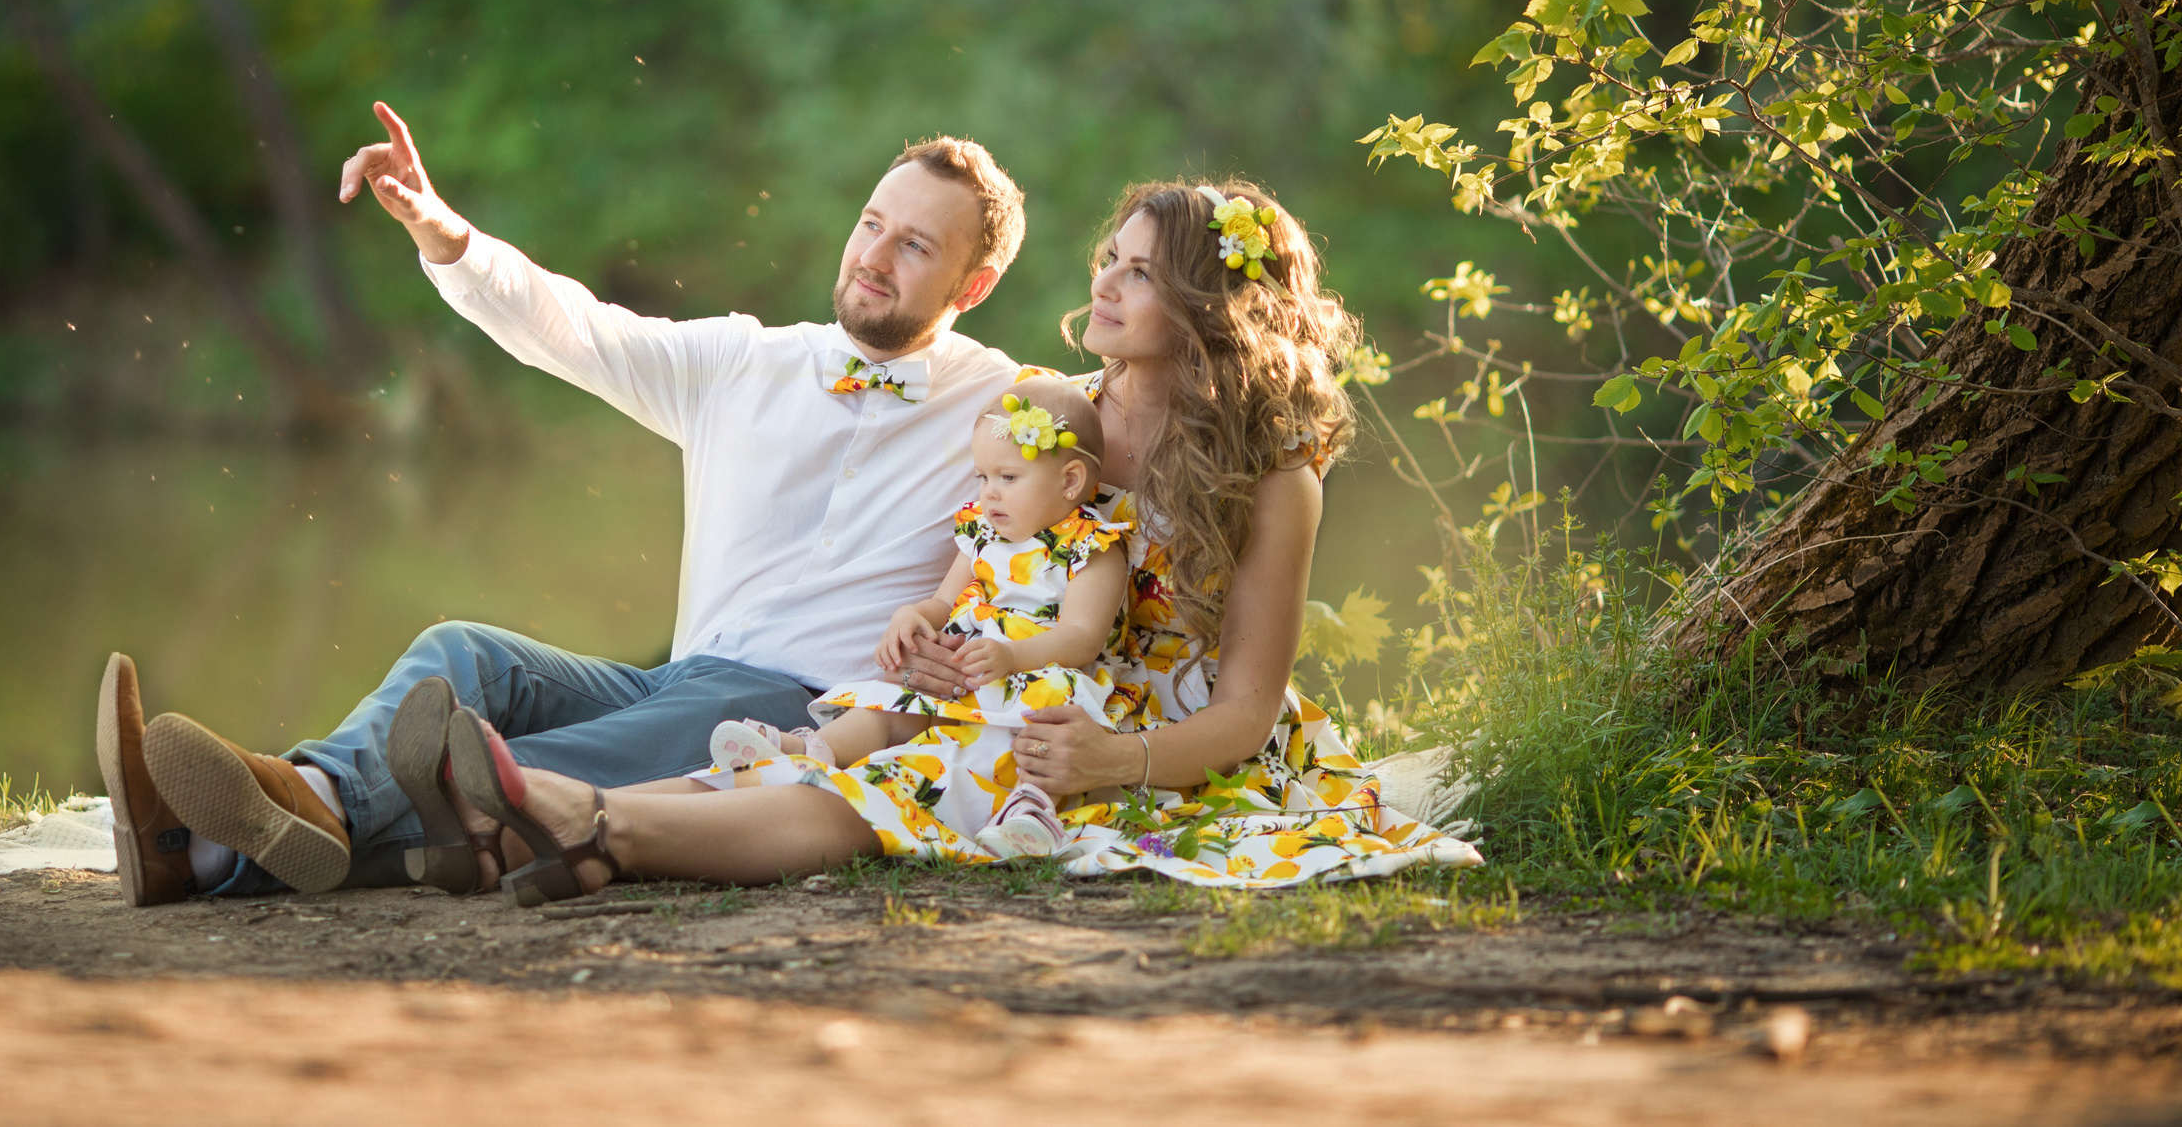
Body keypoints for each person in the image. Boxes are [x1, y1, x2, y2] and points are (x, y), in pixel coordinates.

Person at [425, 179, 1481, 900]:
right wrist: (929, 628)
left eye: (1141, 274)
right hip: (1011, 680)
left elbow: (1247, 711)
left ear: (1214, 308)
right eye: (1108, 260)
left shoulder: (1273, 483)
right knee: (843, 733)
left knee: (907, 781)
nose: (1102, 285)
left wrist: (1117, 756)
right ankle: (551, 830)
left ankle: (598, 826)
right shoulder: (1048, 415)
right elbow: (978, 569)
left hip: (1158, 733)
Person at [95, 101, 1028, 903]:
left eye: (915, 245)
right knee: (465, 655)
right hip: (682, 674)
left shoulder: (1011, 408)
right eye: (871, 223)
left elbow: (1135, 437)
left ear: (973, 285)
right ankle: (297, 801)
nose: (875, 256)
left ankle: (200, 845)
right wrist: (443, 233)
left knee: (495, 775)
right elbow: (576, 329)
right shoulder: (746, 360)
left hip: (805, 710)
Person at [703, 374, 1135, 859]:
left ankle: (1031, 808)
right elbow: (943, 601)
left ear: (1070, 481)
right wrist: (912, 616)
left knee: (1032, 732)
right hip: (968, 668)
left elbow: (1082, 637)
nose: (989, 493)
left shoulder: (1091, 547)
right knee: (889, 708)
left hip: (1043, 673)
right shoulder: (981, 533)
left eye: (1007, 478)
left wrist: (1012, 656)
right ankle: (808, 750)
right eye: (982, 477)